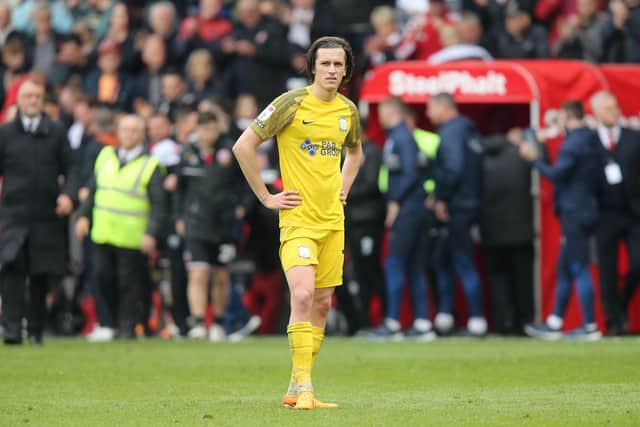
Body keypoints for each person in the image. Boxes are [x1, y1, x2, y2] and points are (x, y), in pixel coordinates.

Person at [233, 36, 362, 410]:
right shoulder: (290, 103)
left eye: (339, 65)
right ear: (312, 67)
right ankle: (304, 386)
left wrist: (343, 187)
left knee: (322, 303)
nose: (332, 71)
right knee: (303, 294)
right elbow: (243, 146)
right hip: (299, 219)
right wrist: (266, 197)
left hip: (332, 221)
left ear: (346, 69)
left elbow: (355, 154)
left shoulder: (347, 111)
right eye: (326, 64)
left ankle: (297, 385)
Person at [75, 114, 167, 340]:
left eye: (134, 130)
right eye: (125, 129)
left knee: (129, 283)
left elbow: (159, 204)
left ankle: (127, 327)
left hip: (131, 235)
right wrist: (83, 215)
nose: (128, 135)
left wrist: (151, 232)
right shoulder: (106, 155)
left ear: (142, 134)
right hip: (103, 231)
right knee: (102, 276)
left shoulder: (151, 164)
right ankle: (112, 321)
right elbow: (94, 187)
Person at [0, 79, 78, 345]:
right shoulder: (6, 133)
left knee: (41, 273)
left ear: (43, 101)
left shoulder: (56, 131)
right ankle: (11, 328)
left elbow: (72, 168)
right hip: (13, 214)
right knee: (11, 270)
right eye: (28, 96)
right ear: (19, 100)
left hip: (46, 215)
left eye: (37, 96)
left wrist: (68, 195)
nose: (33, 101)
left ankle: (35, 329)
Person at [520, 100, 602, 341]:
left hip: (575, 211)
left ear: (567, 116)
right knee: (565, 267)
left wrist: (533, 159)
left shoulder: (574, 143)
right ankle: (555, 321)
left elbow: (557, 174)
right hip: (588, 208)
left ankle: (589, 326)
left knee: (578, 266)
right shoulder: (591, 139)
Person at [175, 111, 245, 341]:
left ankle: (217, 321)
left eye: (213, 129)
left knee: (221, 275)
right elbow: (179, 190)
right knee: (198, 273)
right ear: (198, 130)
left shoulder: (230, 151)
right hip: (196, 223)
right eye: (205, 129)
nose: (209, 134)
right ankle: (197, 322)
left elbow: (245, 180)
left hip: (224, 224)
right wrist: (179, 217)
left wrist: (242, 205)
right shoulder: (187, 154)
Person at [371, 96, 434, 341]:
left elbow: (410, 172)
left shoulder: (401, 137)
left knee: (395, 263)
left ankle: (393, 322)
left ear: (390, 112)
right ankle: (422, 323)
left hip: (407, 209)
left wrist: (395, 200)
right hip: (416, 207)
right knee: (415, 266)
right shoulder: (405, 136)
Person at [427, 92, 487, 336]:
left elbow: (453, 168)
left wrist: (441, 198)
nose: (429, 114)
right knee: (446, 259)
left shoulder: (452, 132)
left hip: (457, 206)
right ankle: (447, 315)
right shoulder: (471, 132)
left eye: (431, 108)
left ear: (443, 107)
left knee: (461, 261)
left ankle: (474, 318)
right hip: (472, 204)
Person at [590, 91, 640, 335]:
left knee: (637, 264)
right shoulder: (589, 140)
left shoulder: (634, 137)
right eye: (608, 108)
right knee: (607, 270)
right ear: (596, 112)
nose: (614, 112)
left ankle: (621, 304)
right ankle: (613, 320)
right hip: (604, 214)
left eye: (616, 107)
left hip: (633, 213)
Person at [480, 129, 536, 335]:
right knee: (523, 280)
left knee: (497, 279)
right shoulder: (523, 157)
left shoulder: (482, 159)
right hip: (521, 230)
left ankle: (502, 322)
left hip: (491, 231)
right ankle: (525, 322)